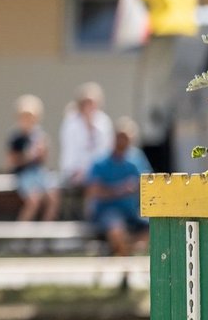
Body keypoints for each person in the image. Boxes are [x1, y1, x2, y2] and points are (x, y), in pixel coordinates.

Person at [86, 117, 152, 256]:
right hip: (107, 212)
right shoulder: (101, 162)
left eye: (127, 138)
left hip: (131, 212)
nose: (123, 141)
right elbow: (93, 191)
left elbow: (148, 182)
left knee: (154, 226)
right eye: (120, 137)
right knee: (117, 230)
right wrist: (120, 190)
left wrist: (136, 187)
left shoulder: (136, 159)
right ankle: (125, 259)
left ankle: (127, 251)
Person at [5, 94, 59, 222]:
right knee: (33, 200)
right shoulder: (15, 137)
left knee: (53, 197)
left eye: (31, 117)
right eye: (25, 117)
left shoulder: (39, 135)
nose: (28, 120)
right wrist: (27, 157)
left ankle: (45, 233)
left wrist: (43, 152)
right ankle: (21, 233)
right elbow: (10, 162)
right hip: (23, 174)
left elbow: (43, 161)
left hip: (38, 172)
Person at [58, 82, 114, 188]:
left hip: (99, 171)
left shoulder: (104, 121)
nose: (89, 106)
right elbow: (69, 150)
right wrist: (75, 171)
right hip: (75, 172)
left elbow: (106, 149)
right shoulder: (71, 122)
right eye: (86, 102)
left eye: (92, 102)